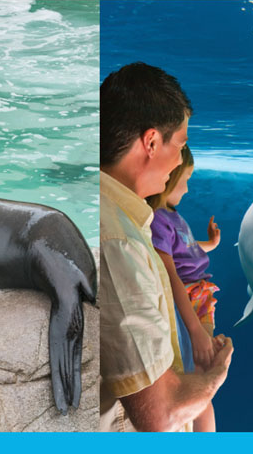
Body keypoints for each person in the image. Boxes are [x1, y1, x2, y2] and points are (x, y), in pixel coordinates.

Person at [99, 62, 233, 432]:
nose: (178, 162)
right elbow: (161, 414)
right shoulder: (119, 241)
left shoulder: (127, 220)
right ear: (152, 142)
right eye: (180, 145)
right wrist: (217, 372)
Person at [146, 144, 222, 432]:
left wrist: (210, 245)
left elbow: (184, 250)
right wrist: (195, 331)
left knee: (203, 372)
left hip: (201, 296)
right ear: (168, 177)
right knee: (198, 378)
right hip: (188, 299)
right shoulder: (157, 221)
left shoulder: (172, 215)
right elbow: (171, 272)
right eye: (185, 180)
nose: (188, 189)